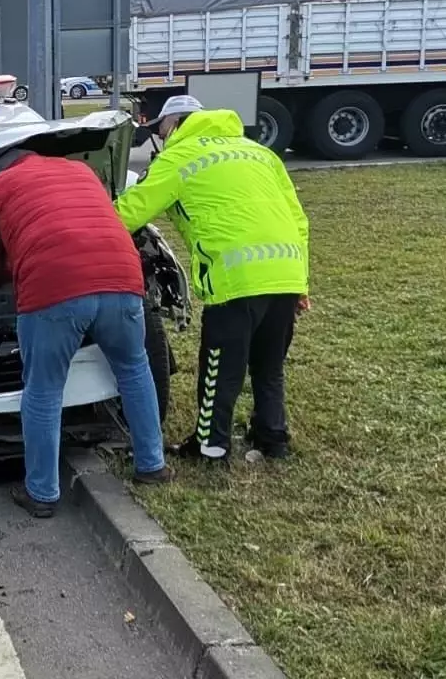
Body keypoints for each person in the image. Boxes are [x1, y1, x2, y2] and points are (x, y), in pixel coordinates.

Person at [0, 148, 174, 519]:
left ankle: (42, 493)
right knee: (133, 368)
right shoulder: (80, 170)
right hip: (122, 280)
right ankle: (152, 466)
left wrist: (1, 274)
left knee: (44, 390)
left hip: (54, 288)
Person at [115, 96, 310, 465]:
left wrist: (87, 217)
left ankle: (211, 447)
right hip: (286, 272)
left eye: (160, 129)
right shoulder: (260, 153)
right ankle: (274, 439)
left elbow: (130, 212)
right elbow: (299, 219)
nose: (160, 136)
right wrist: (301, 283)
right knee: (269, 364)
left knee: (219, 369)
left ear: (173, 124)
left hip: (235, 278)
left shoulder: (180, 157)